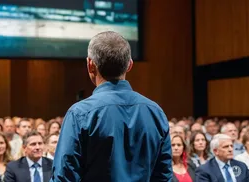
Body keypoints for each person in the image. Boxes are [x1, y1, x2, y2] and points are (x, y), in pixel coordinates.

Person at [51, 31, 172, 181]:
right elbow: (164, 177)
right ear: (129, 65)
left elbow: (65, 177)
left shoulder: (80, 114)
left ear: (90, 65)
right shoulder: (155, 112)